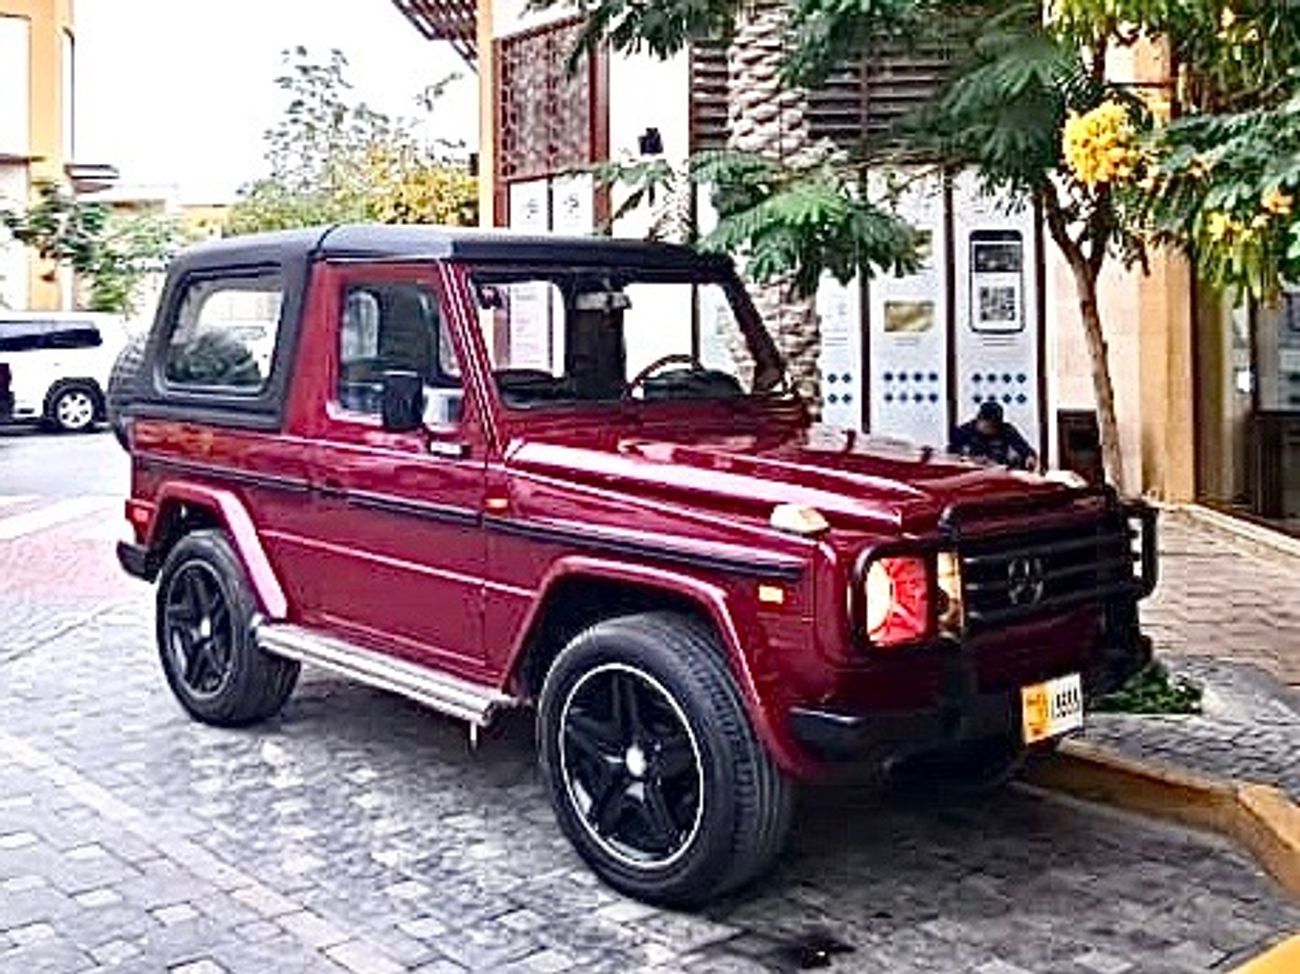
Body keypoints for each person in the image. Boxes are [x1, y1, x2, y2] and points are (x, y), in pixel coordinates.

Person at [949, 401, 1039, 471]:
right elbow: (950, 455)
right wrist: (971, 460)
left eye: (993, 426)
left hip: (998, 473)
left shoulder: (1007, 430)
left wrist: (1030, 458)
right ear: (979, 419)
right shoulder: (964, 431)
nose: (990, 429)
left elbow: (1026, 450)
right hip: (971, 473)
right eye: (987, 425)